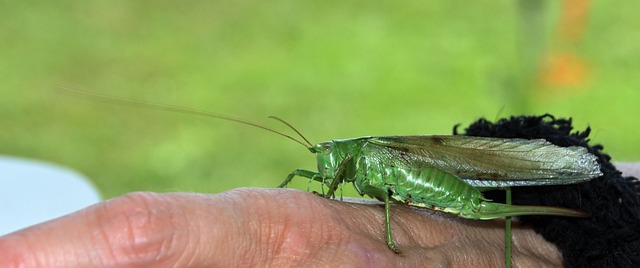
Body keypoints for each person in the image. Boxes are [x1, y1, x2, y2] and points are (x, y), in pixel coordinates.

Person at [1, 164, 637, 267]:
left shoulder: (361, 163)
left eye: (328, 162)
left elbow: (387, 197)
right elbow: (323, 181)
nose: (321, 168)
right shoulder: (337, 166)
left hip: (432, 181)